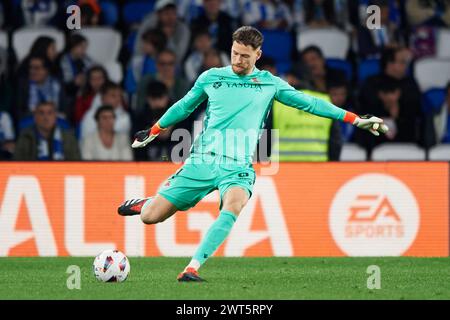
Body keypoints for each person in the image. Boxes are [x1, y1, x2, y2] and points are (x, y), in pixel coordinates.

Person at [117, 26, 388, 282]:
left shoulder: (270, 83)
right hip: (202, 160)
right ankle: (146, 202)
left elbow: (311, 103)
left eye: (245, 56)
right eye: (235, 53)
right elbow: (184, 106)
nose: (238, 60)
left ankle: (192, 267)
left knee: (233, 206)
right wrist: (154, 129)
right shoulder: (212, 77)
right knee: (151, 217)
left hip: (238, 167)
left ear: (257, 55)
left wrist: (354, 119)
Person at [13, 101, 80, 160]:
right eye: (41, 113)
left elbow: (76, 163)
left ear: (55, 117)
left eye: (49, 113)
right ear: (35, 117)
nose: (46, 117)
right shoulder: (25, 137)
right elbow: (17, 164)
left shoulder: (68, 137)